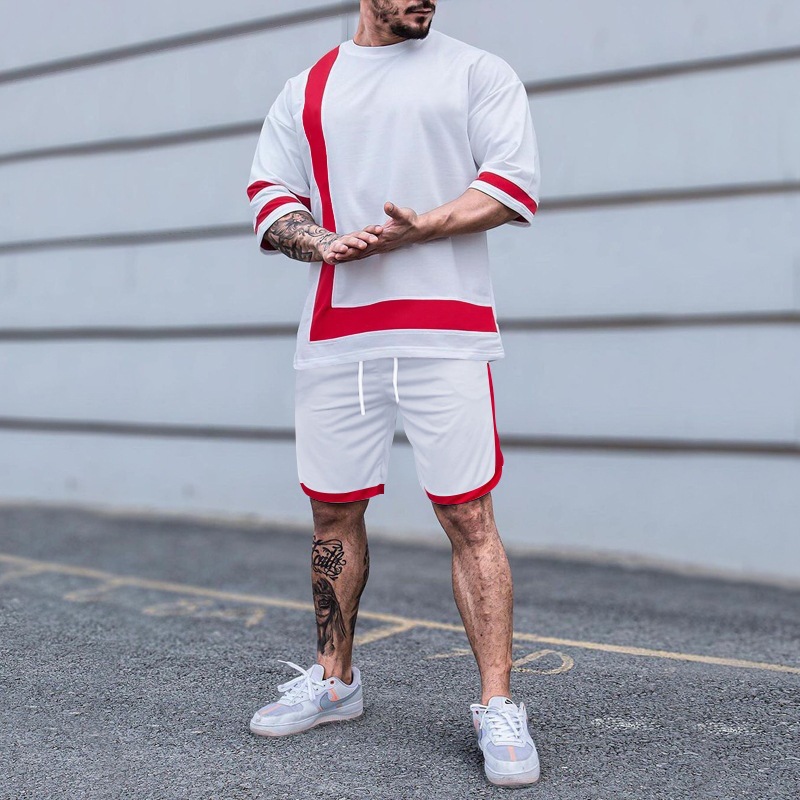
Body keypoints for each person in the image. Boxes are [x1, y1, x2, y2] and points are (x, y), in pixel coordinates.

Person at [245, 0, 540, 787]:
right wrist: (322, 240)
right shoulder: (308, 89)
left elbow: (509, 188)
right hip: (340, 334)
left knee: (468, 515)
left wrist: (424, 228)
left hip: (447, 330)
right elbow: (271, 200)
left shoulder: (476, 73)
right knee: (332, 513)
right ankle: (334, 681)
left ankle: (498, 704)